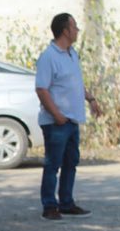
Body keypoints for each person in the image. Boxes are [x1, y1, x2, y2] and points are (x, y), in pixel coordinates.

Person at [35, 12, 102, 220]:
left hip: (72, 120)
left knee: (70, 163)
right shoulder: (49, 56)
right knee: (52, 165)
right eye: (74, 27)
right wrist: (57, 115)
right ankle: (49, 206)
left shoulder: (72, 54)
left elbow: (75, 83)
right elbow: (41, 89)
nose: (77, 30)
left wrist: (90, 99)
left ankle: (66, 202)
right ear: (65, 30)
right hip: (57, 122)